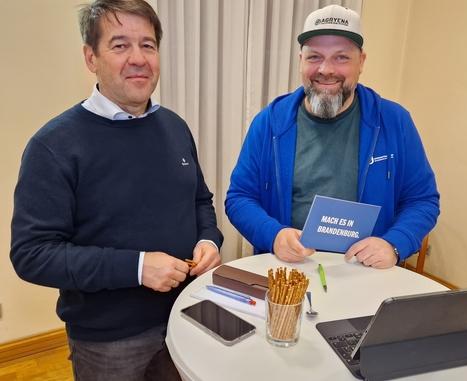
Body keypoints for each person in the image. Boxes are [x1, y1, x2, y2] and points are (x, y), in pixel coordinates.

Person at [10, 1, 223, 379]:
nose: (138, 58)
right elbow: (32, 254)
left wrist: (209, 240)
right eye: (120, 45)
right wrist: (137, 267)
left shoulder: (175, 127)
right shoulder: (54, 145)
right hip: (110, 341)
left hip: (188, 312)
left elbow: (199, 201)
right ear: (91, 57)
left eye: (148, 45)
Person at [225, 4, 439, 269]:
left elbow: (422, 200)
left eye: (341, 57)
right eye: (314, 57)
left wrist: (394, 243)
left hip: (367, 271)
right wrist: (274, 235)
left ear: (361, 62)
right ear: (300, 60)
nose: (326, 69)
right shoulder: (269, 123)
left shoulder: (395, 122)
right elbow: (239, 198)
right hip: (289, 270)